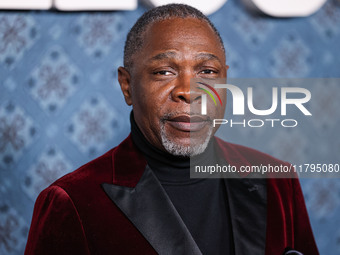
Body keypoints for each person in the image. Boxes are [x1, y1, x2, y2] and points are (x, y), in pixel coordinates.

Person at [25, 4, 319, 255]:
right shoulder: (71, 201)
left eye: (207, 71)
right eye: (164, 72)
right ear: (127, 86)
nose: (189, 92)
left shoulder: (278, 180)